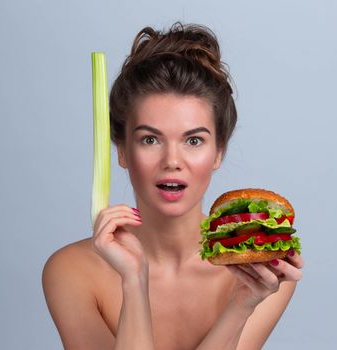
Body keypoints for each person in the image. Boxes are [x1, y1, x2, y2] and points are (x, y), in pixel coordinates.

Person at [42, 22, 304, 350]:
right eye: (150, 139)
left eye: (194, 140)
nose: (172, 160)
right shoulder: (71, 271)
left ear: (218, 152)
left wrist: (242, 305)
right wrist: (134, 282)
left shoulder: (263, 272)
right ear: (122, 150)